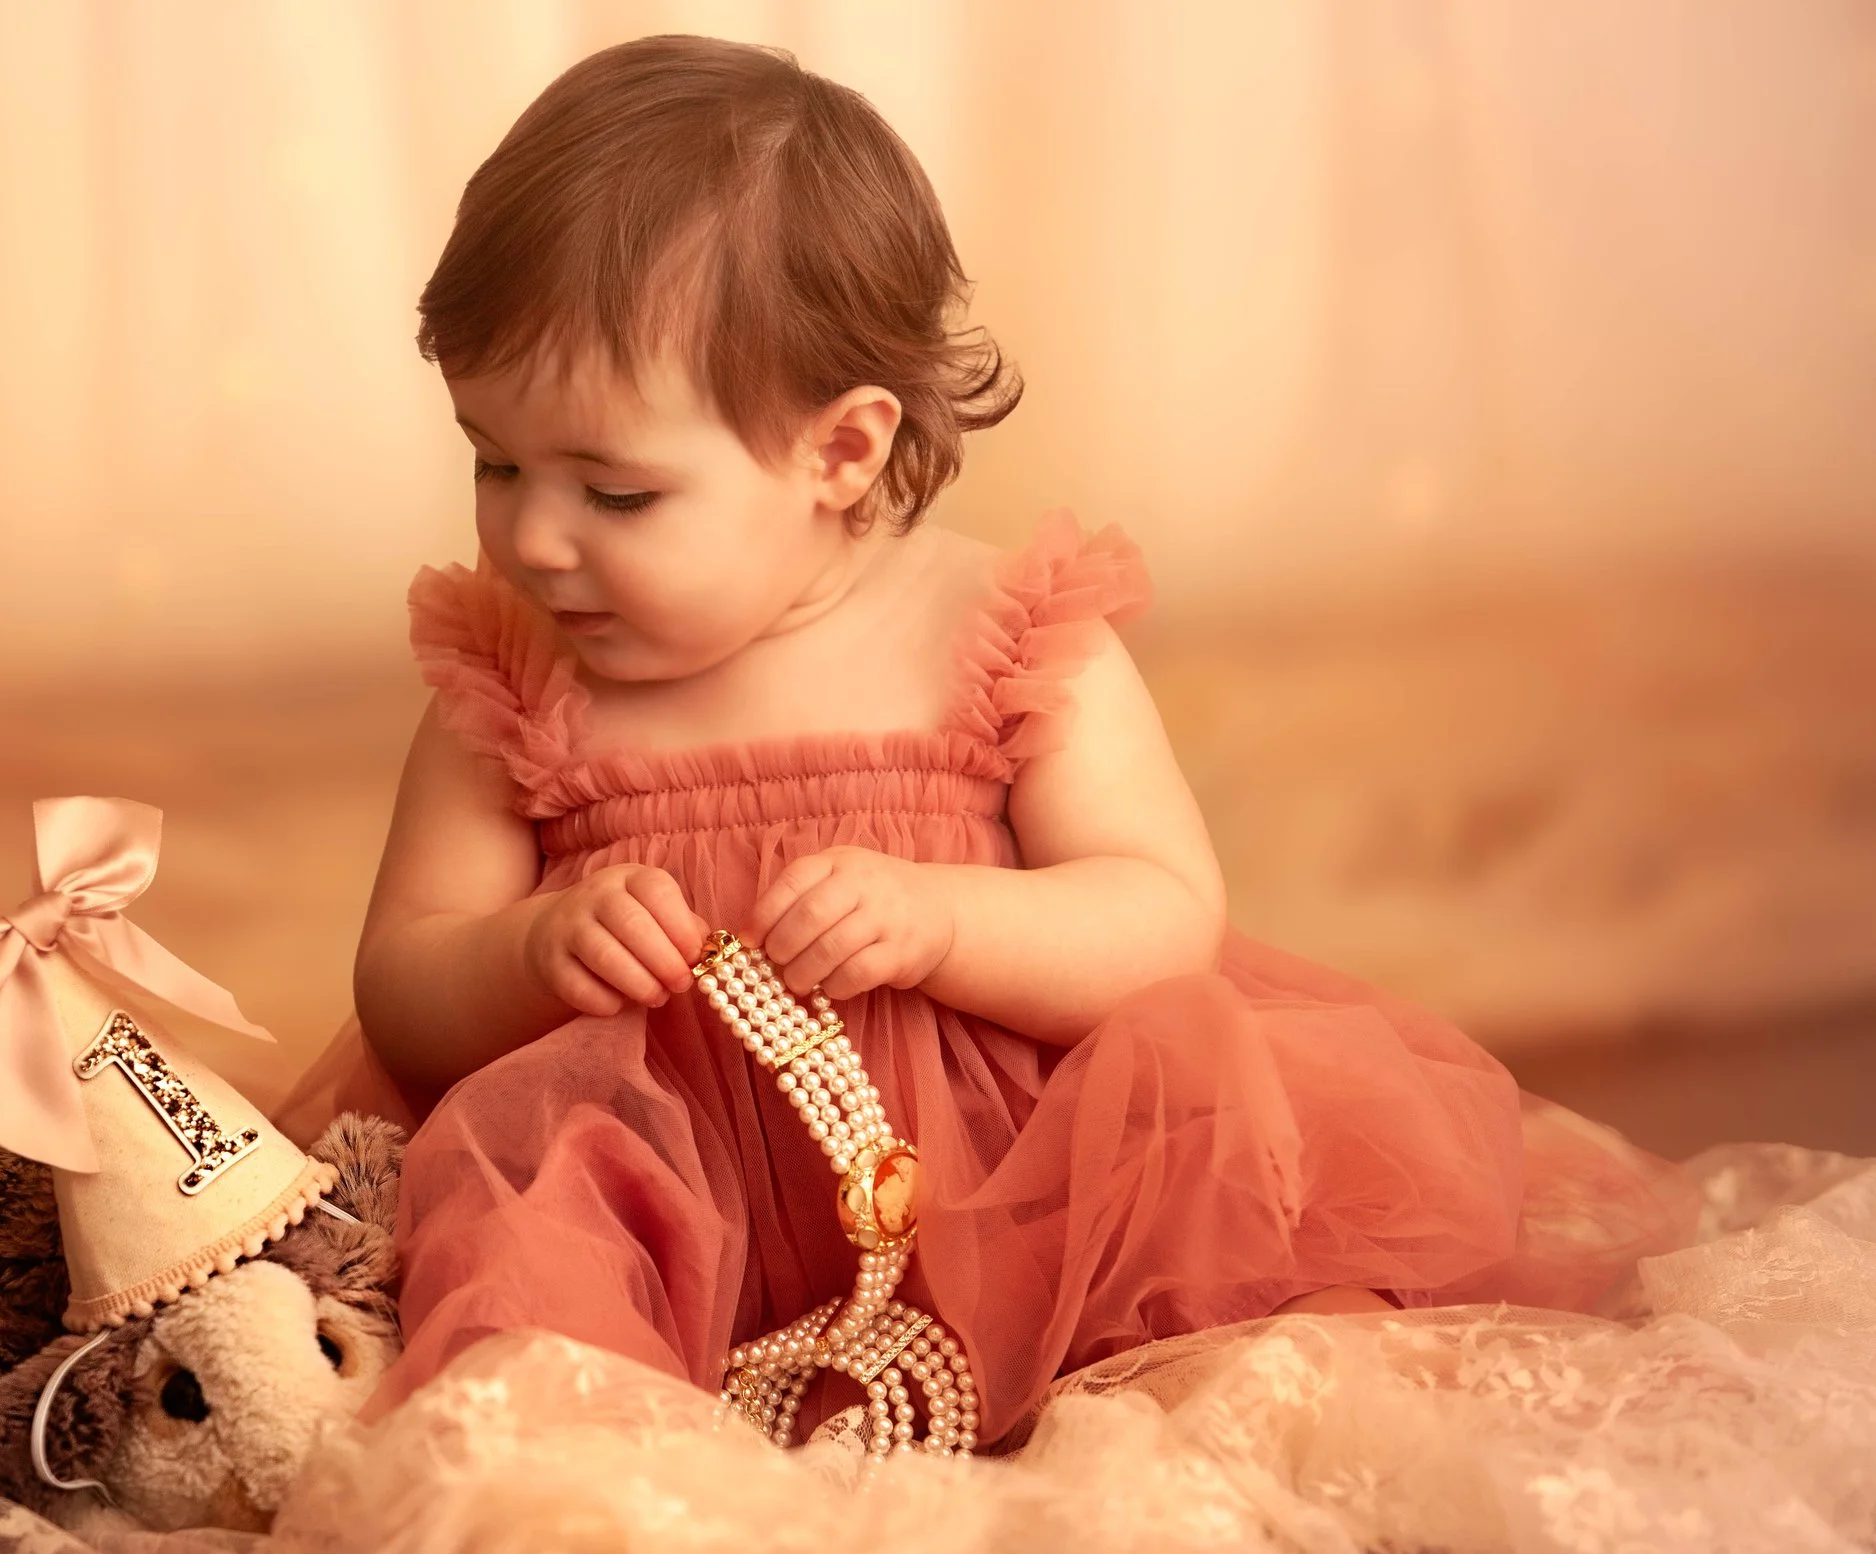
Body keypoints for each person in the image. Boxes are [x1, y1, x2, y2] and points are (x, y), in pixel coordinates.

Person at [279, 34, 1693, 1447]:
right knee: (513, 1258)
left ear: (840, 452)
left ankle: (1198, 1411)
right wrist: (523, 954)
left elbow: (1160, 918)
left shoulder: (1001, 639)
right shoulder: (513, 685)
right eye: (495, 459)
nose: (530, 536)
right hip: (652, 1210)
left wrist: (945, 918)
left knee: (1225, 1311)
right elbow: (403, 982)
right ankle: (603, 1479)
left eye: (617, 491)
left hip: (1011, 1206)